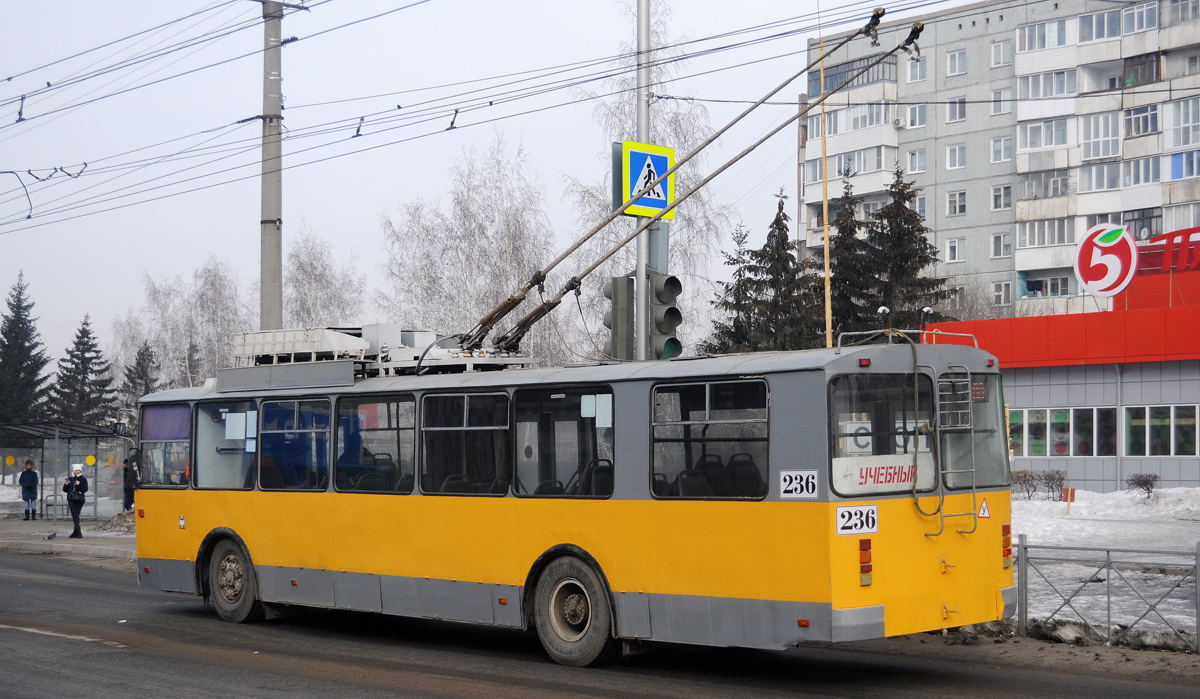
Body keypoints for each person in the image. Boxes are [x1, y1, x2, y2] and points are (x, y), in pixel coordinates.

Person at [63, 465, 88, 538]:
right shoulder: (70, 479)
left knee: (76, 515)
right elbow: (65, 490)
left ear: (80, 471)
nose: (77, 472)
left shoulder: (83, 479)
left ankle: (77, 532)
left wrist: (79, 485)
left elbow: (85, 489)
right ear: (73, 471)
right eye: (76, 470)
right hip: (71, 499)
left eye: (78, 470)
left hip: (80, 499)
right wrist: (66, 484)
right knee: (75, 515)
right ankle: (77, 532)